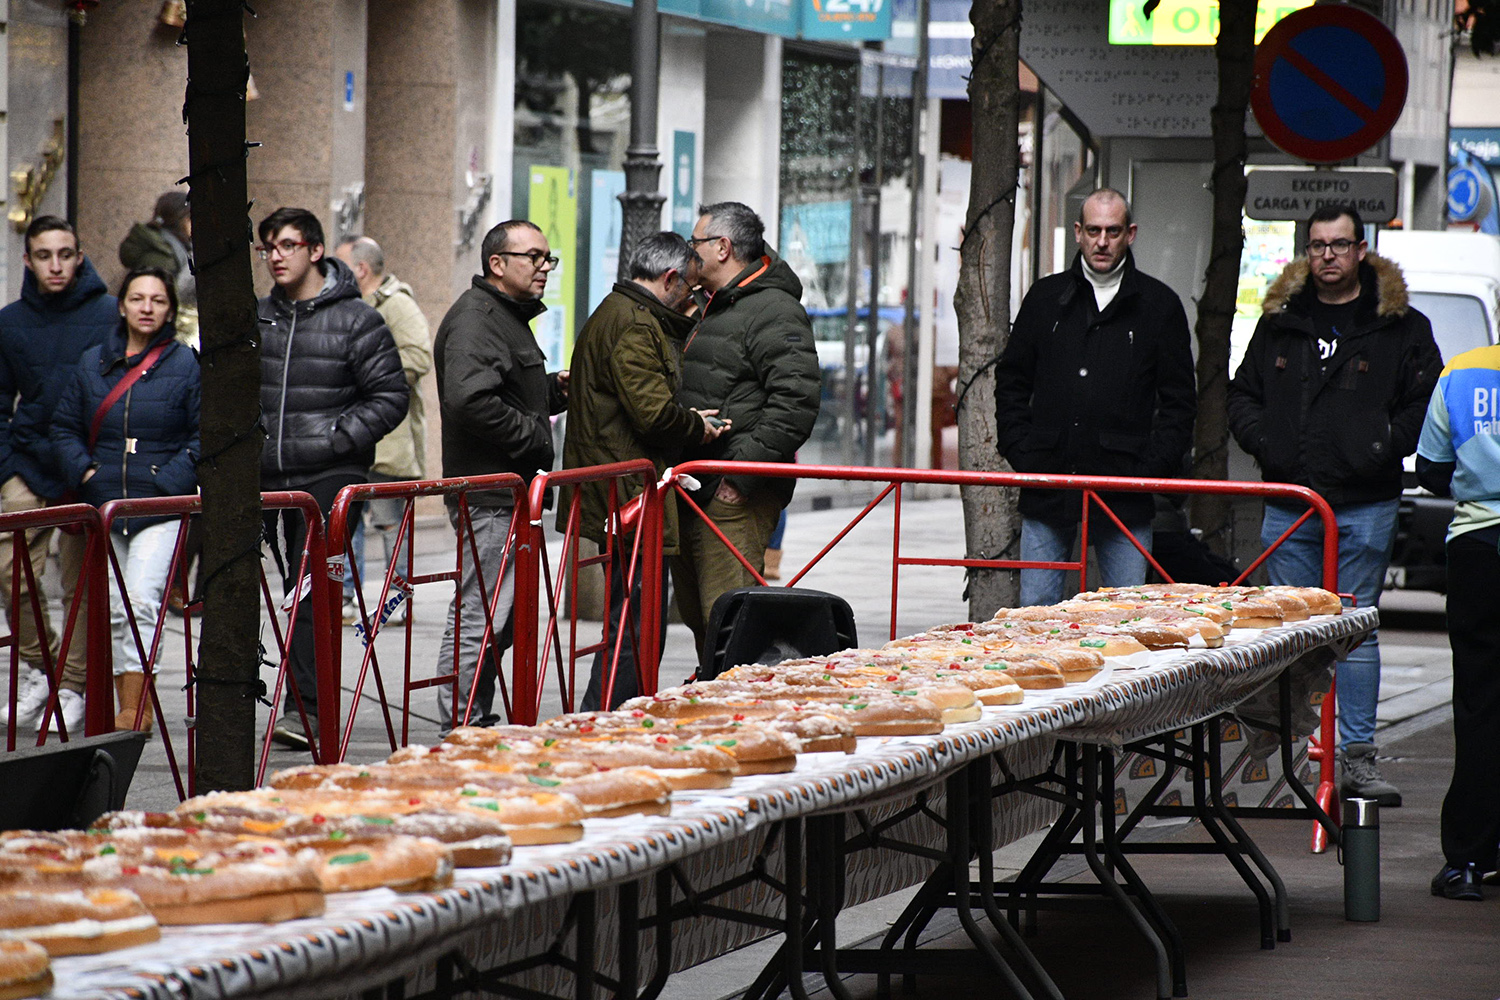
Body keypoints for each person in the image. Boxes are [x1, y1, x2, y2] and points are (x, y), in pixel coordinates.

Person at [1228, 203, 1441, 807]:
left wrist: (1381, 446)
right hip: (1290, 500)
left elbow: (1426, 403)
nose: (1327, 256)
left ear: (1362, 249)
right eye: (1318, 245)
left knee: (1356, 633)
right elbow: (1243, 393)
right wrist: (1267, 440)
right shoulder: (1280, 322)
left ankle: (1358, 761)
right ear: (1307, 252)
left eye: (1339, 245)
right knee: (1289, 635)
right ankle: (1289, 763)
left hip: (1364, 500)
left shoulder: (1401, 326)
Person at [994, 187, 1197, 607]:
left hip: (1126, 490)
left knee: (1127, 617)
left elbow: (1179, 401)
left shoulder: (1159, 306)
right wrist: (1022, 450)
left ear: (1131, 233)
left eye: (1113, 230)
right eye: (1093, 230)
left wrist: (1151, 469)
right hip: (1048, 481)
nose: (1102, 241)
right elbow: (1012, 381)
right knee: (1036, 619)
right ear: (1077, 233)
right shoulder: (1045, 299)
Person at [257, 207, 407, 749]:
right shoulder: (259, 318)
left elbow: (391, 397)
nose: (276, 256)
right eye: (268, 247)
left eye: (288, 245)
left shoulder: (356, 319)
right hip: (265, 472)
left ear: (316, 250)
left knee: (308, 589)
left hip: (328, 474)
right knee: (272, 591)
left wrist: (337, 440)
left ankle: (308, 710)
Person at [561, 232, 726, 711]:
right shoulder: (634, 324)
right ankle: (607, 721)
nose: (693, 299)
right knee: (634, 625)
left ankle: (607, 717)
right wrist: (697, 427)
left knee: (634, 623)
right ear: (670, 278)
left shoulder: (626, 315)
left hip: (623, 490)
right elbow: (653, 415)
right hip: (628, 497)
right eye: (691, 289)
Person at [50, 268, 200, 734]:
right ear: (122, 306)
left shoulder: (186, 364)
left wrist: (164, 482)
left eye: (158, 300)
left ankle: (133, 708)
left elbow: (202, 435)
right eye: (138, 298)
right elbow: (64, 427)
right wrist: (90, 475)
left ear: (170, 308)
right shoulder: (94, 362)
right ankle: (131, 699)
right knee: (114, 607)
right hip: (107, 507)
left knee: (139, 601)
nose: (147, 307)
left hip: (158, 507)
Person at [433, 220, 567, 734]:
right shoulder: (478, 318)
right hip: (488, 492)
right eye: (533, 257)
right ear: (497, 264)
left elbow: (504, 389)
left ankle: (474, 718)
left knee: (501, 616)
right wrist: (534, 435)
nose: (543, 268)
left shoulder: (506, 318)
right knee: (481, 614)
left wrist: (553, 391)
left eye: (547, 259)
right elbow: (470, 400)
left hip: (505, 492)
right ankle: (461, 725)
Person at [674, 202, 821, 663]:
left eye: (695, 244)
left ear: (723, 248)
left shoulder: (773, 309)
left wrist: (739, 478)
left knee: (731, 628)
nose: (688, 254)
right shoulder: (710, 305)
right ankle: (713, 712)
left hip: (731, 494)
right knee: (704, 624)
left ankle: (741, 723)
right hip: (694, 486)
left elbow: (795, 402)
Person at [0, 216, 118, 735]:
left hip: (85, 467)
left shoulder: (110, 314)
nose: (55, 264)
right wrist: (6, 467)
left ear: (79, 256)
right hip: (26, 462)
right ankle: (40, 670)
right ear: (27, 260)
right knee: (11, 574)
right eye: (44, 255)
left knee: (81, 586)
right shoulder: (10, 322)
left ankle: (72, 685)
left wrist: (103, 467)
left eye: (65, 254)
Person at [1416, 343, 1500, 900]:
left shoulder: (1464, 370)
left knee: (1479, 703)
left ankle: (1468, 861)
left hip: (1480, 548)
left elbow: (1431, 469)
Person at [333, 236, 433, 624]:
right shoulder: (347, 307)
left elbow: (418, 356)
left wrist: (368, 372)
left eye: (339, 265)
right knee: (345, 519)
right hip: (351, 435)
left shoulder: (397, 304)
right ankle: (341, 596)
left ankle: (397, 599)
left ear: (360, 269)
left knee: (390, 522)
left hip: (390, 439)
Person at [119, 191, 198, 346]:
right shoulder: (161, 255)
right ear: (180, 220)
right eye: (191, 218)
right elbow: (162, 295)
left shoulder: (177, 247)